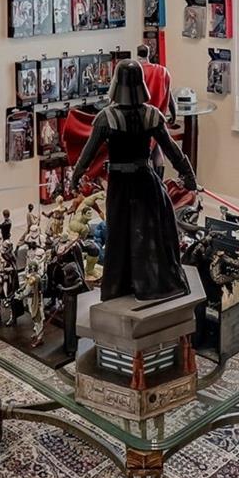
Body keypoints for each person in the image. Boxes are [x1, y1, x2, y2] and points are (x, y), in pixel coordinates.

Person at [68, 60, 197, 301]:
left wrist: (76, 176)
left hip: (122, 183)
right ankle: (148, 284)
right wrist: (188, 175)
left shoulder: (107, 117)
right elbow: (172, 150)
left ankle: (122, 286)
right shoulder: (151, 115)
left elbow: (88, 154)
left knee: (121, 233)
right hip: (144, 180)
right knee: (148, 231)